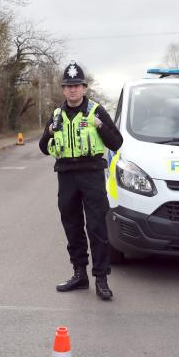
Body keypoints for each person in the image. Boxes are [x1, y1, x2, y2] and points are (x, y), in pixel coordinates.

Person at [39, 61, 123, 300]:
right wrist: (49, 132)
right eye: (68, 86)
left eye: (77, 85)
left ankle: (101, 279)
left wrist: (101, 126)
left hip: (92, 175)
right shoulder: (56, 115)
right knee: (72, 227)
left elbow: (116, 143)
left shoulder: (96, 111)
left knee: (97, 227)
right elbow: (44, 148)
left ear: (85, 88)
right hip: (66, 176)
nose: (73, 90)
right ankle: (79, 274)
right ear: (63, 90)